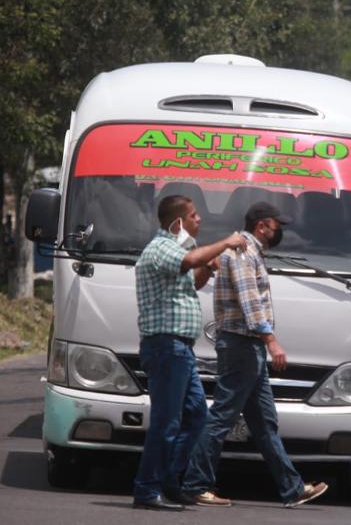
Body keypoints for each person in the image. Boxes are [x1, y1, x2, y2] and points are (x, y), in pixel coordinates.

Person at [181, 201, 329, 508]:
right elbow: (250, 304)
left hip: (248, 346)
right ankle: (195, 483)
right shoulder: (242, 253)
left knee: (264, 422)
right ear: (262, 226)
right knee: (222, 416)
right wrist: (272, 341)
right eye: (277, 226)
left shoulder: (247, 252)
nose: (279, 232)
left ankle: (292, 488)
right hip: (241, 345)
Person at [133, 195, 247, 511]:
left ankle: (170, 482)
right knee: (166, 422)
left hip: (179, 349)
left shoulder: (176, 251)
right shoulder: (163, 248)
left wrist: (207, 269)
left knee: (196, 416)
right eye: (195, 216)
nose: (200, 221)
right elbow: (188, 262)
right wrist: (226, 243)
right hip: (166, 347)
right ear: (178, 223)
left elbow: (191, 281)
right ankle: (147, 489)